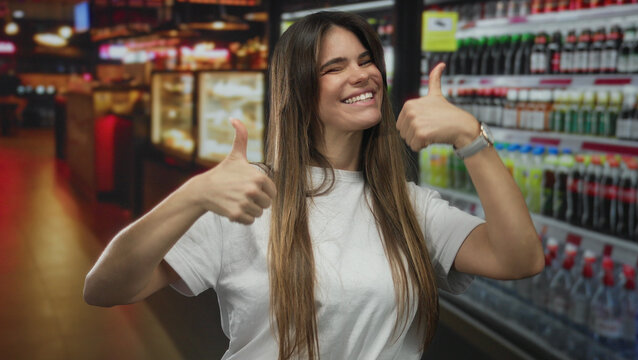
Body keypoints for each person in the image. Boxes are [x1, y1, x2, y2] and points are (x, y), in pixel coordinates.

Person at [84, 11, 543, 360]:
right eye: (334, 67)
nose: (362, 74)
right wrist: (192, 195)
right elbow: (104, 289)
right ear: (300, 89)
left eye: (366, 61)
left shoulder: (407, 206)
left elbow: (520, 257)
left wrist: (470, 138)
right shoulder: (251, 196)